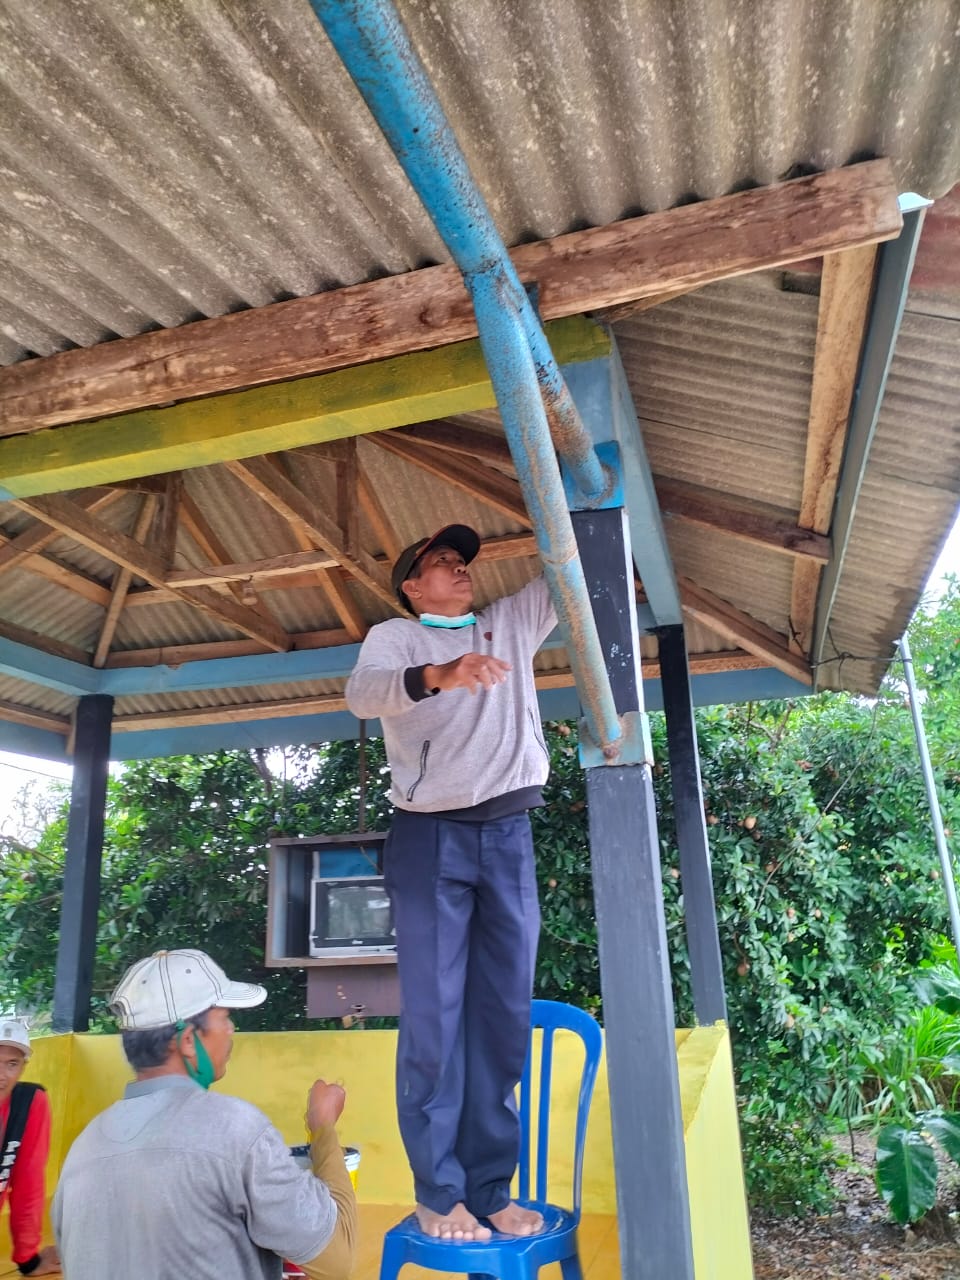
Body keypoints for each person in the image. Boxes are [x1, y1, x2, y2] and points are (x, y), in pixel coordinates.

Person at [345, 524, 556, 1242]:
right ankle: (440, 1193)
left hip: (509, 835)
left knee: (502, 1018)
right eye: (440, 563)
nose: (458, 569)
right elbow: (362, 695)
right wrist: (442, 674)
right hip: (429, 837)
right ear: (412, 586)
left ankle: (491, 1189)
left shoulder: (508, 625)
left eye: (462, 562)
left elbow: (567, 568)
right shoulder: (395, 638)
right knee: (434, 1020)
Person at [51, 948, 357, 1280]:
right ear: (187, 1040)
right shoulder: (237, 1131)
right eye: (224, 1018)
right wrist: (323, 1125)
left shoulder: (82, 1151)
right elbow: (337, 1259)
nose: (231, 1030)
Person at [0, 1020, 60, 1276]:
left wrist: (28, 1259)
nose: (1, 1075)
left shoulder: (29, 1103)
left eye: (12, 1064)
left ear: (23, 1068)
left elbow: (29, 1183)